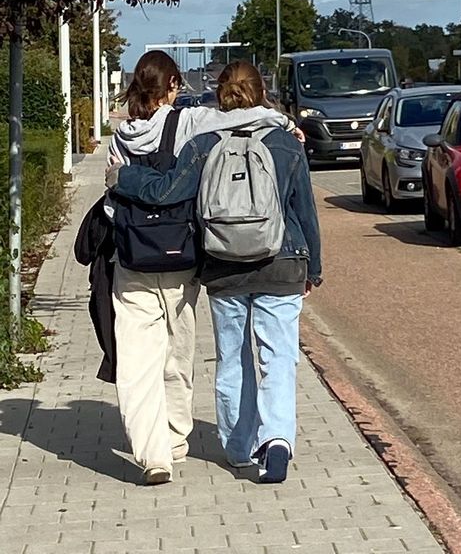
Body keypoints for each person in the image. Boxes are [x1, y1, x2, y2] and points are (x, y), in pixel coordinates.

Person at [107, 60, 322, 484]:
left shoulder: (204, 144)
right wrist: (312, 268)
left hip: (224, 266)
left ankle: (239, 448)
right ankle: (276, 438)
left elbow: (166, 191)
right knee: (279, 357)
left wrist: (122, 177)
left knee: (233, 359)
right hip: (282, 261)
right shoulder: (285, 142)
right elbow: (304, 211)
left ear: (220, 95)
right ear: (262, 92)